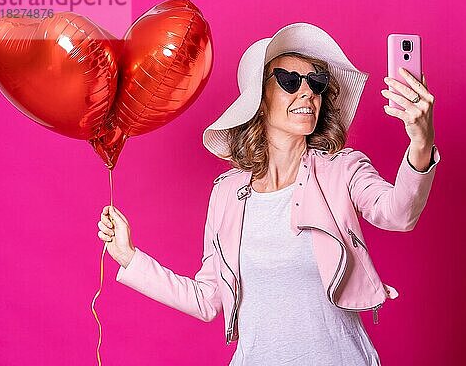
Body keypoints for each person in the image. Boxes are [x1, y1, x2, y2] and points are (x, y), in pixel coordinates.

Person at [97, 22, 441, 365]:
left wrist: (421, 142)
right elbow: (207, 299)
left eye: (316, 83)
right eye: (290, 81)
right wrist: (129, 256)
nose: (307, 92)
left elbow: (399, 213)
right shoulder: (227, 194)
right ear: (259, 102)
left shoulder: (342, 170)